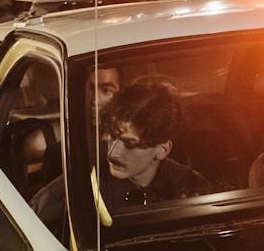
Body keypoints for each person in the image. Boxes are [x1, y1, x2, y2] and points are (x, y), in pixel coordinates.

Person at [31, 78, 208, 233]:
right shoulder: (80, 185)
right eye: (112, 138)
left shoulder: (191, 187)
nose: (112, 153)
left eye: (130, 144)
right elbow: (28, 229)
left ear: (162, 149)